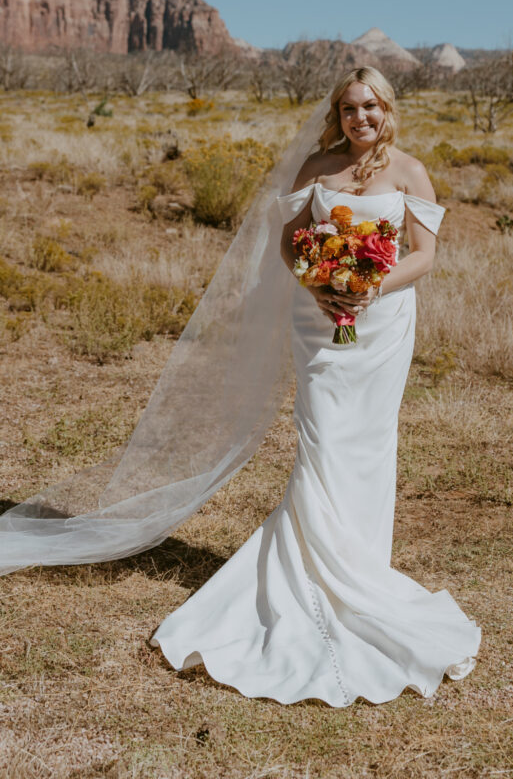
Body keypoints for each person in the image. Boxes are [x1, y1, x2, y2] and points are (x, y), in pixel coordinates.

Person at [150, 66, 481, 706]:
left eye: (373, 107)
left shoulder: (410, 171)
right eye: (351, 108)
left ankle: (360, 572)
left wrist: (364, 288)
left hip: (381, 327)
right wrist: (320, 285)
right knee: (322, 438)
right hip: (318, 319)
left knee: (368, 443)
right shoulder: (317, 168)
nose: (362, 118)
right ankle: (309, 578)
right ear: (339, 113)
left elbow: (424, 255)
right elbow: (287, 241)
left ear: (388, 110)